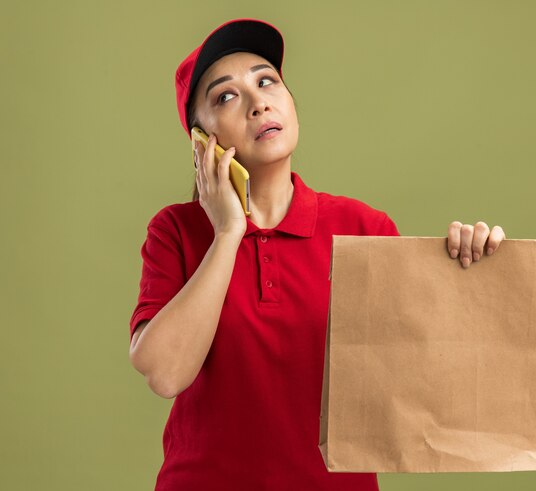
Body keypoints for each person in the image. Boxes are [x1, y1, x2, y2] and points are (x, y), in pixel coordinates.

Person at [128, 18, 506, 491]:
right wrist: (228, 232)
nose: (258, 101)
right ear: (200, 141)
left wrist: (471, 273)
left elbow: (417, 386)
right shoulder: (176, 231)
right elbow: (164, 374)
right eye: (226, 96)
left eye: (267, 81)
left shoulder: (365, 229)